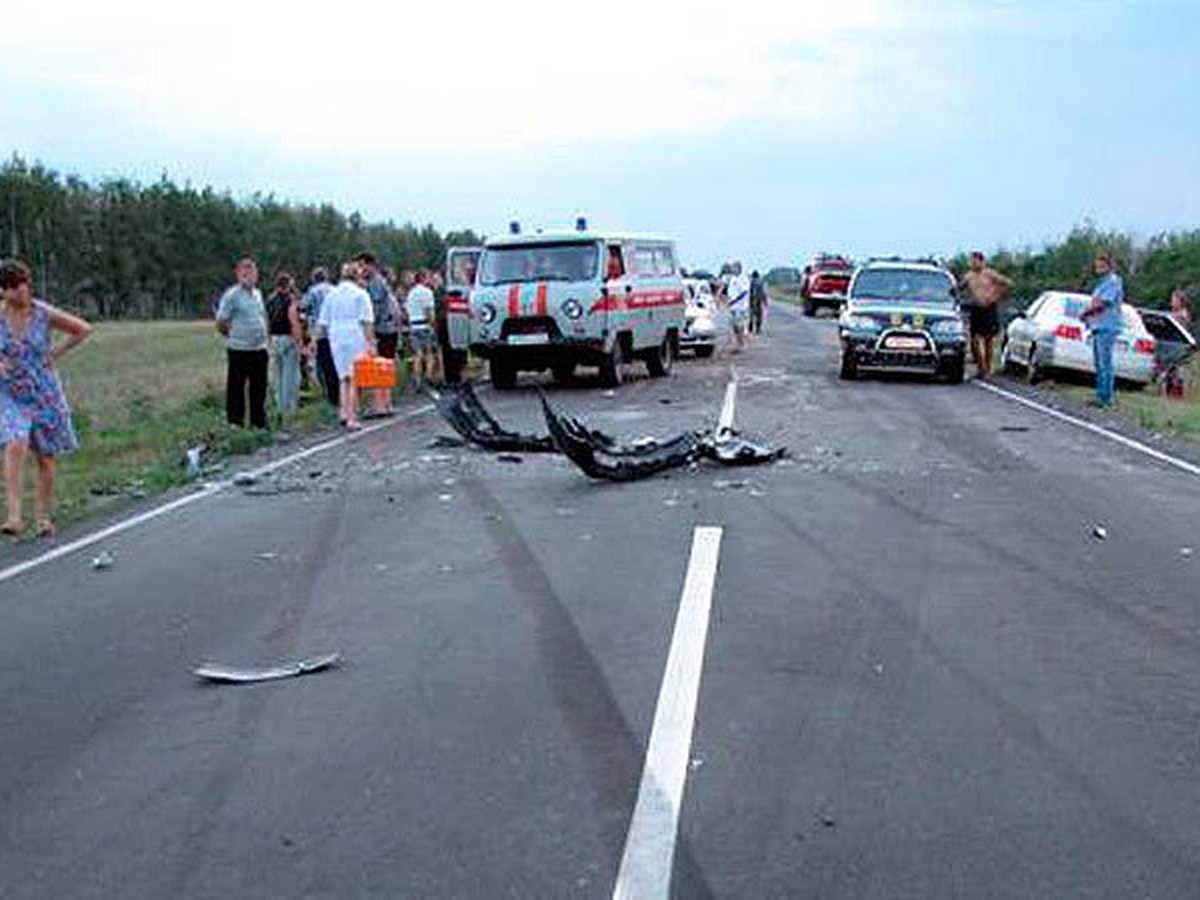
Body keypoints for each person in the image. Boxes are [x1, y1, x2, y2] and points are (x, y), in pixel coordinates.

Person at [0, 259, 92, 538]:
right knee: (15, 441)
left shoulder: (42, 312)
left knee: (46, 457)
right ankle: (14, 516)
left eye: (23, 285)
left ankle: (43, 517)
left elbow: (82, 328)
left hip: (43, 391)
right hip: (10, 392)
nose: (20, 292)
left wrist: (55, 353)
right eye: (12, 287)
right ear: (3, 291)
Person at [317, 261, 375, 429]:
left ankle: (343, 411)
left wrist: (316, 340)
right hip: (354, 334)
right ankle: (352, 416)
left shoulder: (331, 294)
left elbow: (323, 322)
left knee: (343, 377)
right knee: (355, 377)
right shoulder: (360, 294)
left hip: (336, 335)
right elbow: (367, 321)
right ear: (357, 276)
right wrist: (370, 343)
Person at [215, 258, 269, 428]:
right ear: (238, 275)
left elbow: (262, 316)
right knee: (236, 386)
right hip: (239, 348)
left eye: (251, 272)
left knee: (259, 387)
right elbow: (221, 321)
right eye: (244, 272)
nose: (249, 276)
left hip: (259, 348)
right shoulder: (232, 295)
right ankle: (235, 422)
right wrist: (232, 335)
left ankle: (258, 422)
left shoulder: (258, 294)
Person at [355, 252, 398, 415]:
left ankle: (380, 405)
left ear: (370, 265)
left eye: (362, 266)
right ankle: (386, 403)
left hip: (382, 329)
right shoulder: (379, 281)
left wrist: (369, 331)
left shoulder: (375, 283)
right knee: (385, 367)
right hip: (388, 328)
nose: (360, 270)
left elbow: (376, 309)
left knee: (378, 367)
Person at [960, 251, 1013, 380]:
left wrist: (996, 296)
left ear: (982, 261)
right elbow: (959, 288)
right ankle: (980, 367)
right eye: (971, 261)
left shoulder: (989, 274)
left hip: (989, 308)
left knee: (988, 339)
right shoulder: (969, 276)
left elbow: (1008, 283)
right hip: (976, 308)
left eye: (975, 260)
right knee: (973, 339)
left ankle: (988, 369)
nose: (972, 263)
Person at [1081, 251, 1124, 408]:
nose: (1097, 268)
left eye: (1100, 265)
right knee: (1099, 363)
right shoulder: (1102, 283)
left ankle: (1106, 397)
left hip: (1107, 325)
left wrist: (1086, 312)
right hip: (1098, 325)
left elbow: (1103, 303)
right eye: (1096, 265)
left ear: (1108, 265)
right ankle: (1100, 394)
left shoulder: (1112, 282)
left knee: (1105, 362)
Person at [266, 272, 303, 421]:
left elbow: (266, 321)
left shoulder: (270, 300)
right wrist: (299, 340)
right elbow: (293, 320)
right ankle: (289, 408)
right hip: (288, 337)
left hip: (274, 338)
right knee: (290, 375)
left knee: (278, 375)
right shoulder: (290, 301)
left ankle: (280, 405)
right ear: (288, 285)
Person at [304, 267, 338, 407]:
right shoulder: (334, 290)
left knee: (323, 366)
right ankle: (340, 394)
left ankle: (329, 396)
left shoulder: (313, 291)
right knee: (335, 364)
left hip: (320, 332)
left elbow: (305, 307)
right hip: (335, 331)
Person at [405, 271, 438, 389]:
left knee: (417, 354)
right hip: (425, 325)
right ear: (423, 278)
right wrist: (433, 324)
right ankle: (429, 377)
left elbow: (407, 310)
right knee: (429, 353)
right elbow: (429, 311)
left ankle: (417, 379)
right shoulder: (427, 292)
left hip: (414, 325)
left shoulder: (411, 293)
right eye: (428, 277)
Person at [726, 262, 750, 352]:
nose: (732, 269)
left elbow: (744, 292)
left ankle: (741, 344)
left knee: (740, 326)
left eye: (734, 268)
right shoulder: (733, 278)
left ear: (739, 268)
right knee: (735, 327)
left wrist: (734, 301)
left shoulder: (743, 278)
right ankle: (738, 343)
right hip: (733, 307)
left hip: (740, 307)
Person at [749, 270, 768, 335]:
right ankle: (758, 329)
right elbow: (764, 292)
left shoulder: (750, 282)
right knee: (759, 315)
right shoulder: (761, 282)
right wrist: (765, 302)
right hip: (759, 300)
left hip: (751, 300)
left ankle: (750, 328)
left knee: (751, 314)